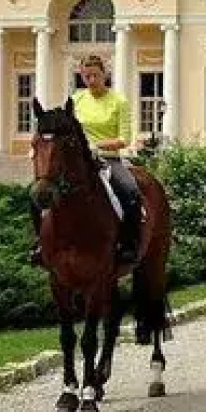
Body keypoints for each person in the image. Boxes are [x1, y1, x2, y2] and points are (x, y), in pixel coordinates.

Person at [30, 53, 143, 267]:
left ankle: (128, 243)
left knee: (130, 190)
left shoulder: (118, 101)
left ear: (105, 75)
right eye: (86, 76)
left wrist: (96, 146)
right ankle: (40, 243)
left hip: (109, 159)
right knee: (38, 193)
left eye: (95, 75)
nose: (91, 80)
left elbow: (124, 139)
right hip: (77, 162)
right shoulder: (76, 100)